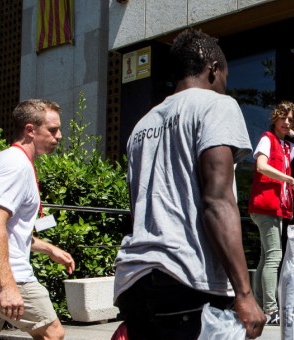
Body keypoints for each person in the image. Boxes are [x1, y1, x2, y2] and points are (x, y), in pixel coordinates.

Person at [113, 28, 265, 339]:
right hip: (187, 280)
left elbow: (137, 208)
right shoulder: (216, 105)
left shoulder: (143, 125)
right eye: (225, 75)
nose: (225, 83)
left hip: (134, 281)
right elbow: (217, 200)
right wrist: (245, 293)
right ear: (213, 69)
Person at [0, 99, 75, 340]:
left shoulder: (2, 160)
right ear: (30, 130)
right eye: (53, 129)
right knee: (52, 333)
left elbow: (6, 228)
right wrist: (7, 285)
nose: (59, 136)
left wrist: (47, 249)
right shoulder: (16, 166)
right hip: (0, 275)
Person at [248, 100, 294, 325]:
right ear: (275, 118)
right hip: (265, 207)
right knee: (274, 256)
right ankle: (270, 310)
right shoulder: (267, 139)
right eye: (283, 117)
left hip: (275, 209)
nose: (286, 122)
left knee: (266, 257)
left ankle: (261, 306)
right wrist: (291, 180)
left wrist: (293, 133)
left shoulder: (286, 146)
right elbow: (261, 165)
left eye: (290, 119)